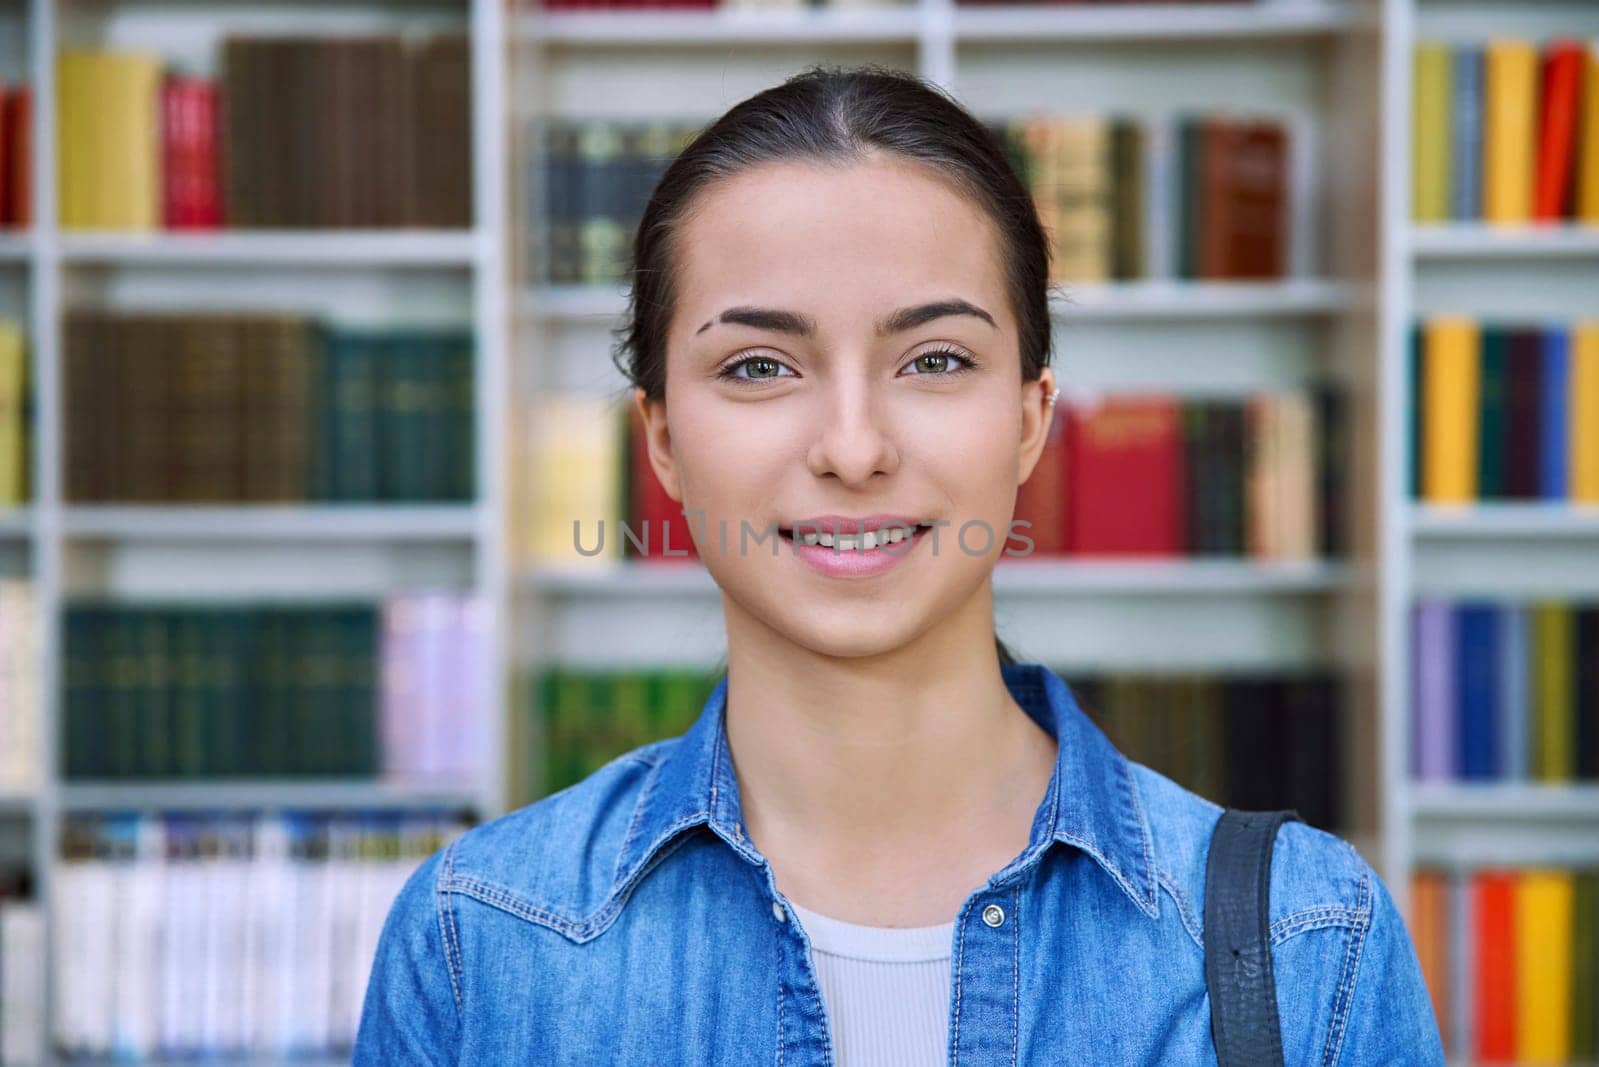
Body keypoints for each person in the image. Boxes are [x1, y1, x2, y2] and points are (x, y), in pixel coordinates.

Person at [354, 64, 1445, 1065]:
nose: (853, 447)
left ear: (1031, 417)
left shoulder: (1309, 941)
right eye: (758, 365)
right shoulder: (478, 939)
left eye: (933, 359)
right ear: (663, 440)